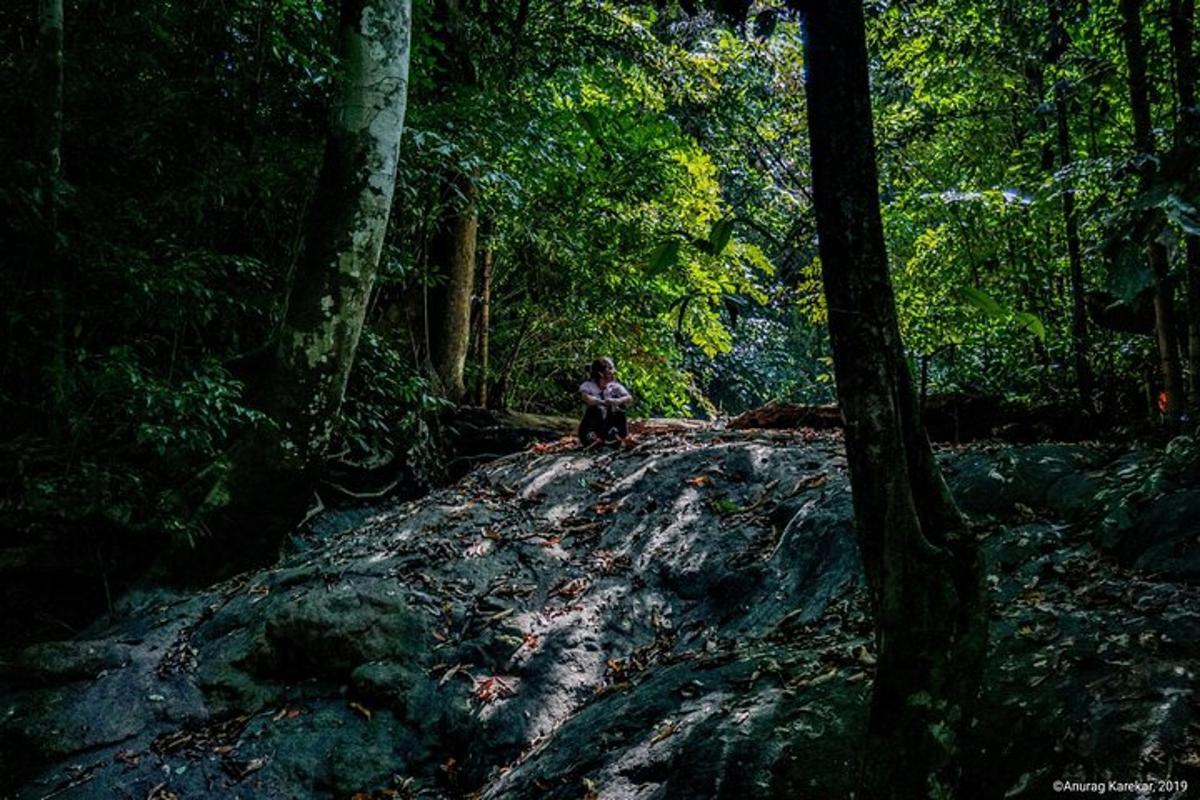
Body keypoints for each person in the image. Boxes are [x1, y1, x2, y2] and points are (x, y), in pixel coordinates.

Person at [578, 357, 634, 448]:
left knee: (620, 407)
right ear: (601, 373)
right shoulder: (588, 386)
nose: (613, 372)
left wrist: (617, 401)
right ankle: (593, 438)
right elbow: (587, 399)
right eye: (610, 369)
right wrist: (602, 402)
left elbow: (629, 398)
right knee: (595, 409)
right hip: (592, 426)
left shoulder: (615, 387)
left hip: (609, 425)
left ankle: (615, 435)